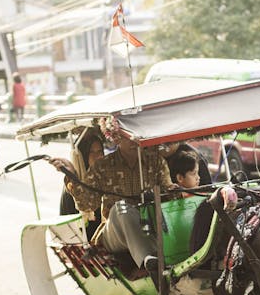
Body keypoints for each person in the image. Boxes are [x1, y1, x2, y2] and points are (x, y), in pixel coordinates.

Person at [48, 116, 175, 270]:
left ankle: (155, 260)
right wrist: (72, 175)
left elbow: (170, 196)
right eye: (127, 136)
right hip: (114, 235)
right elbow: (87, 204)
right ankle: (149, 263)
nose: (133, 140)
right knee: (121, 209)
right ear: (116, 137)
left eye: (135, 134)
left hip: (151, 225)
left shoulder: (156, 162)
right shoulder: (103, 166)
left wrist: (176, 191)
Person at [59, 129, 106, 240]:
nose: (97, 156)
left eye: (100, 152)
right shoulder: (74, 182)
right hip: (81, 236)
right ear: (83, 155)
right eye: (92, 152)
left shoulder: (103, 176)